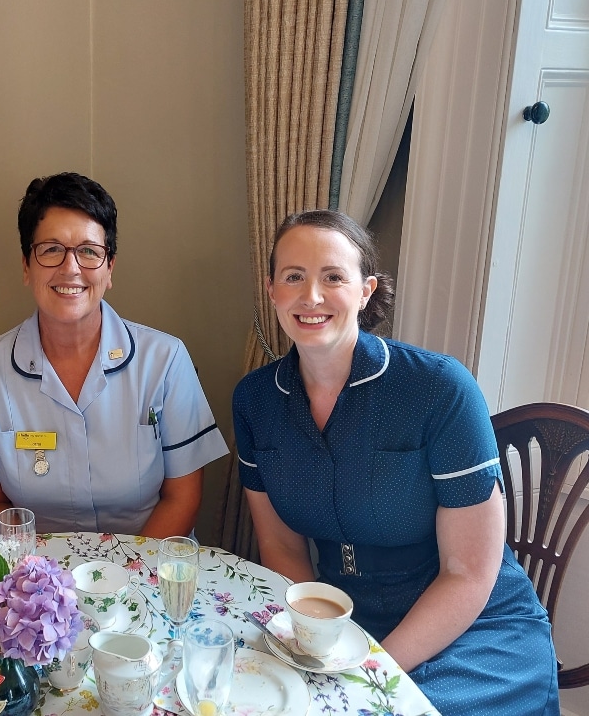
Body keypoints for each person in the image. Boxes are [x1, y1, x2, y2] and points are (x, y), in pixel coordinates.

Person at [232, 209, 559, 715]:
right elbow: (281, 545)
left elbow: (468, 571)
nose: (311, 296)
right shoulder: (255, 400)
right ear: (272, 288)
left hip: (473, 626)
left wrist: (373, 672)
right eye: (294, 276)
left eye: (333, 277)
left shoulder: (438, 388)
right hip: (344, 616)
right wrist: (315, 643)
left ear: (366, 290)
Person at [0, 172, 228, 538]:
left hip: (147, 568)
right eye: (51, 250)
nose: (71, 268)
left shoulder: (165, 359)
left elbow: (182, 497)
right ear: (26, 266)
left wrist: (125, 579)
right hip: (38, 579)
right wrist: (44, 588)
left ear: (110, 269)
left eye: (89, 252)